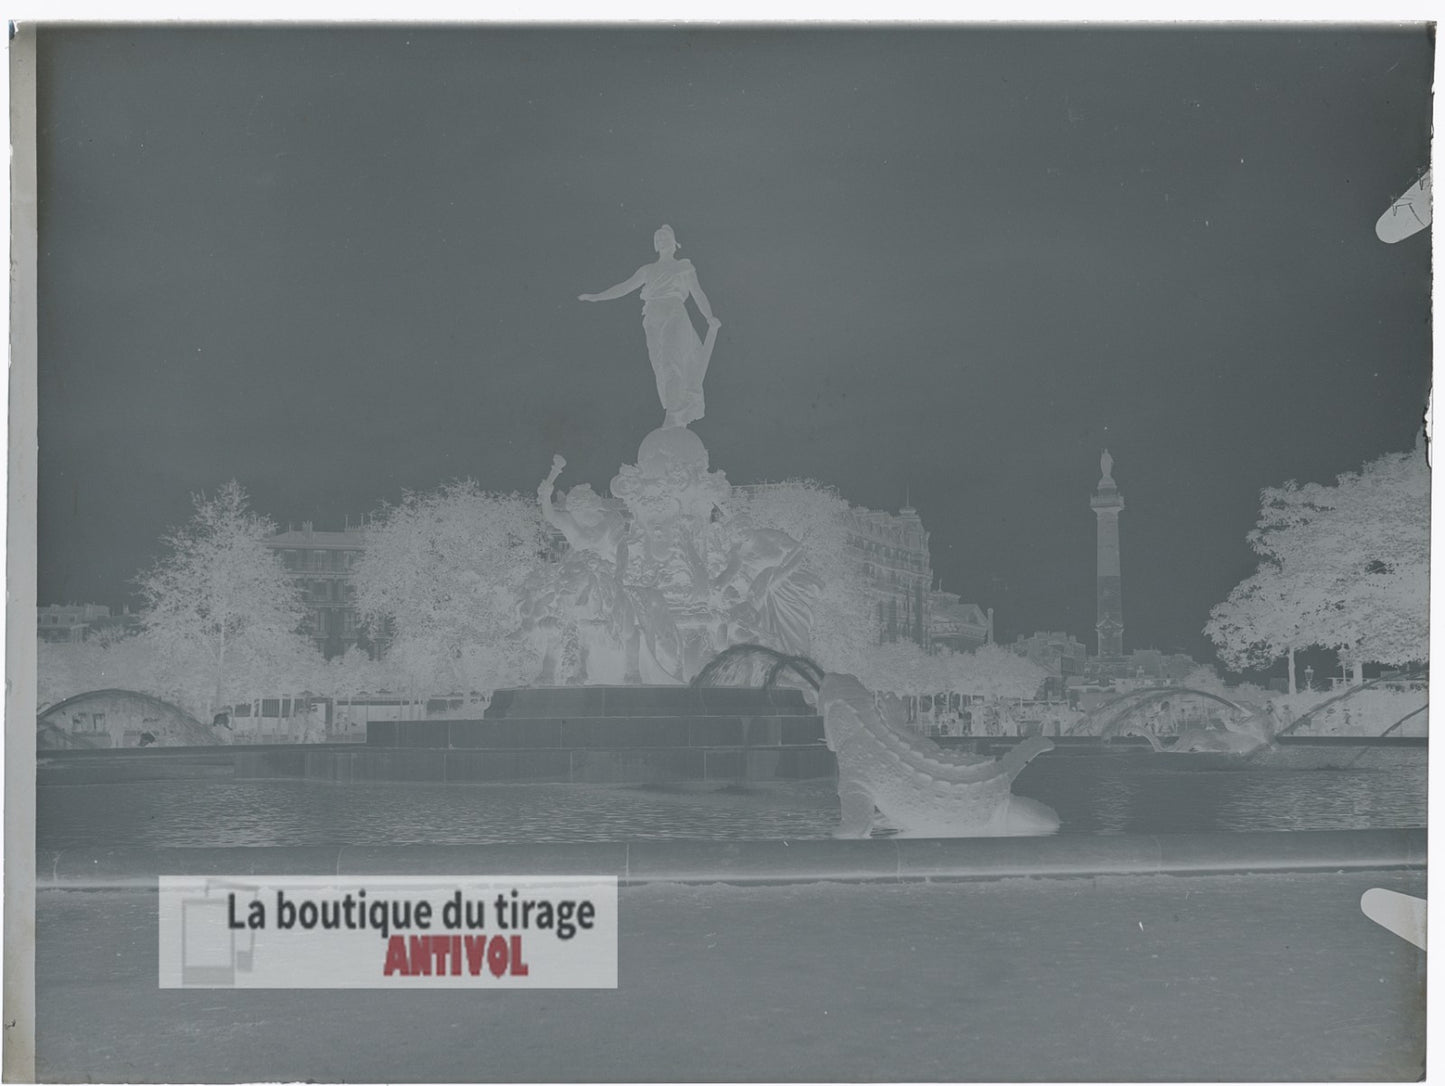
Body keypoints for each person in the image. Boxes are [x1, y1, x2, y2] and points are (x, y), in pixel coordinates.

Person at [580, 225, 721, 428]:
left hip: (673, 310)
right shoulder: (648, 270)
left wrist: (709, 316)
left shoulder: (683, 265)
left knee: (671, 358)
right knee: (659, 364)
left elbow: (697, 292)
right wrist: (597, 297)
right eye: (657, 238)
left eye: (664, 237)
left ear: (674, 242)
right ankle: (672, 407)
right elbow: (624, 286)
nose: (660, 240)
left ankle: (674, 410)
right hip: (652, 315)